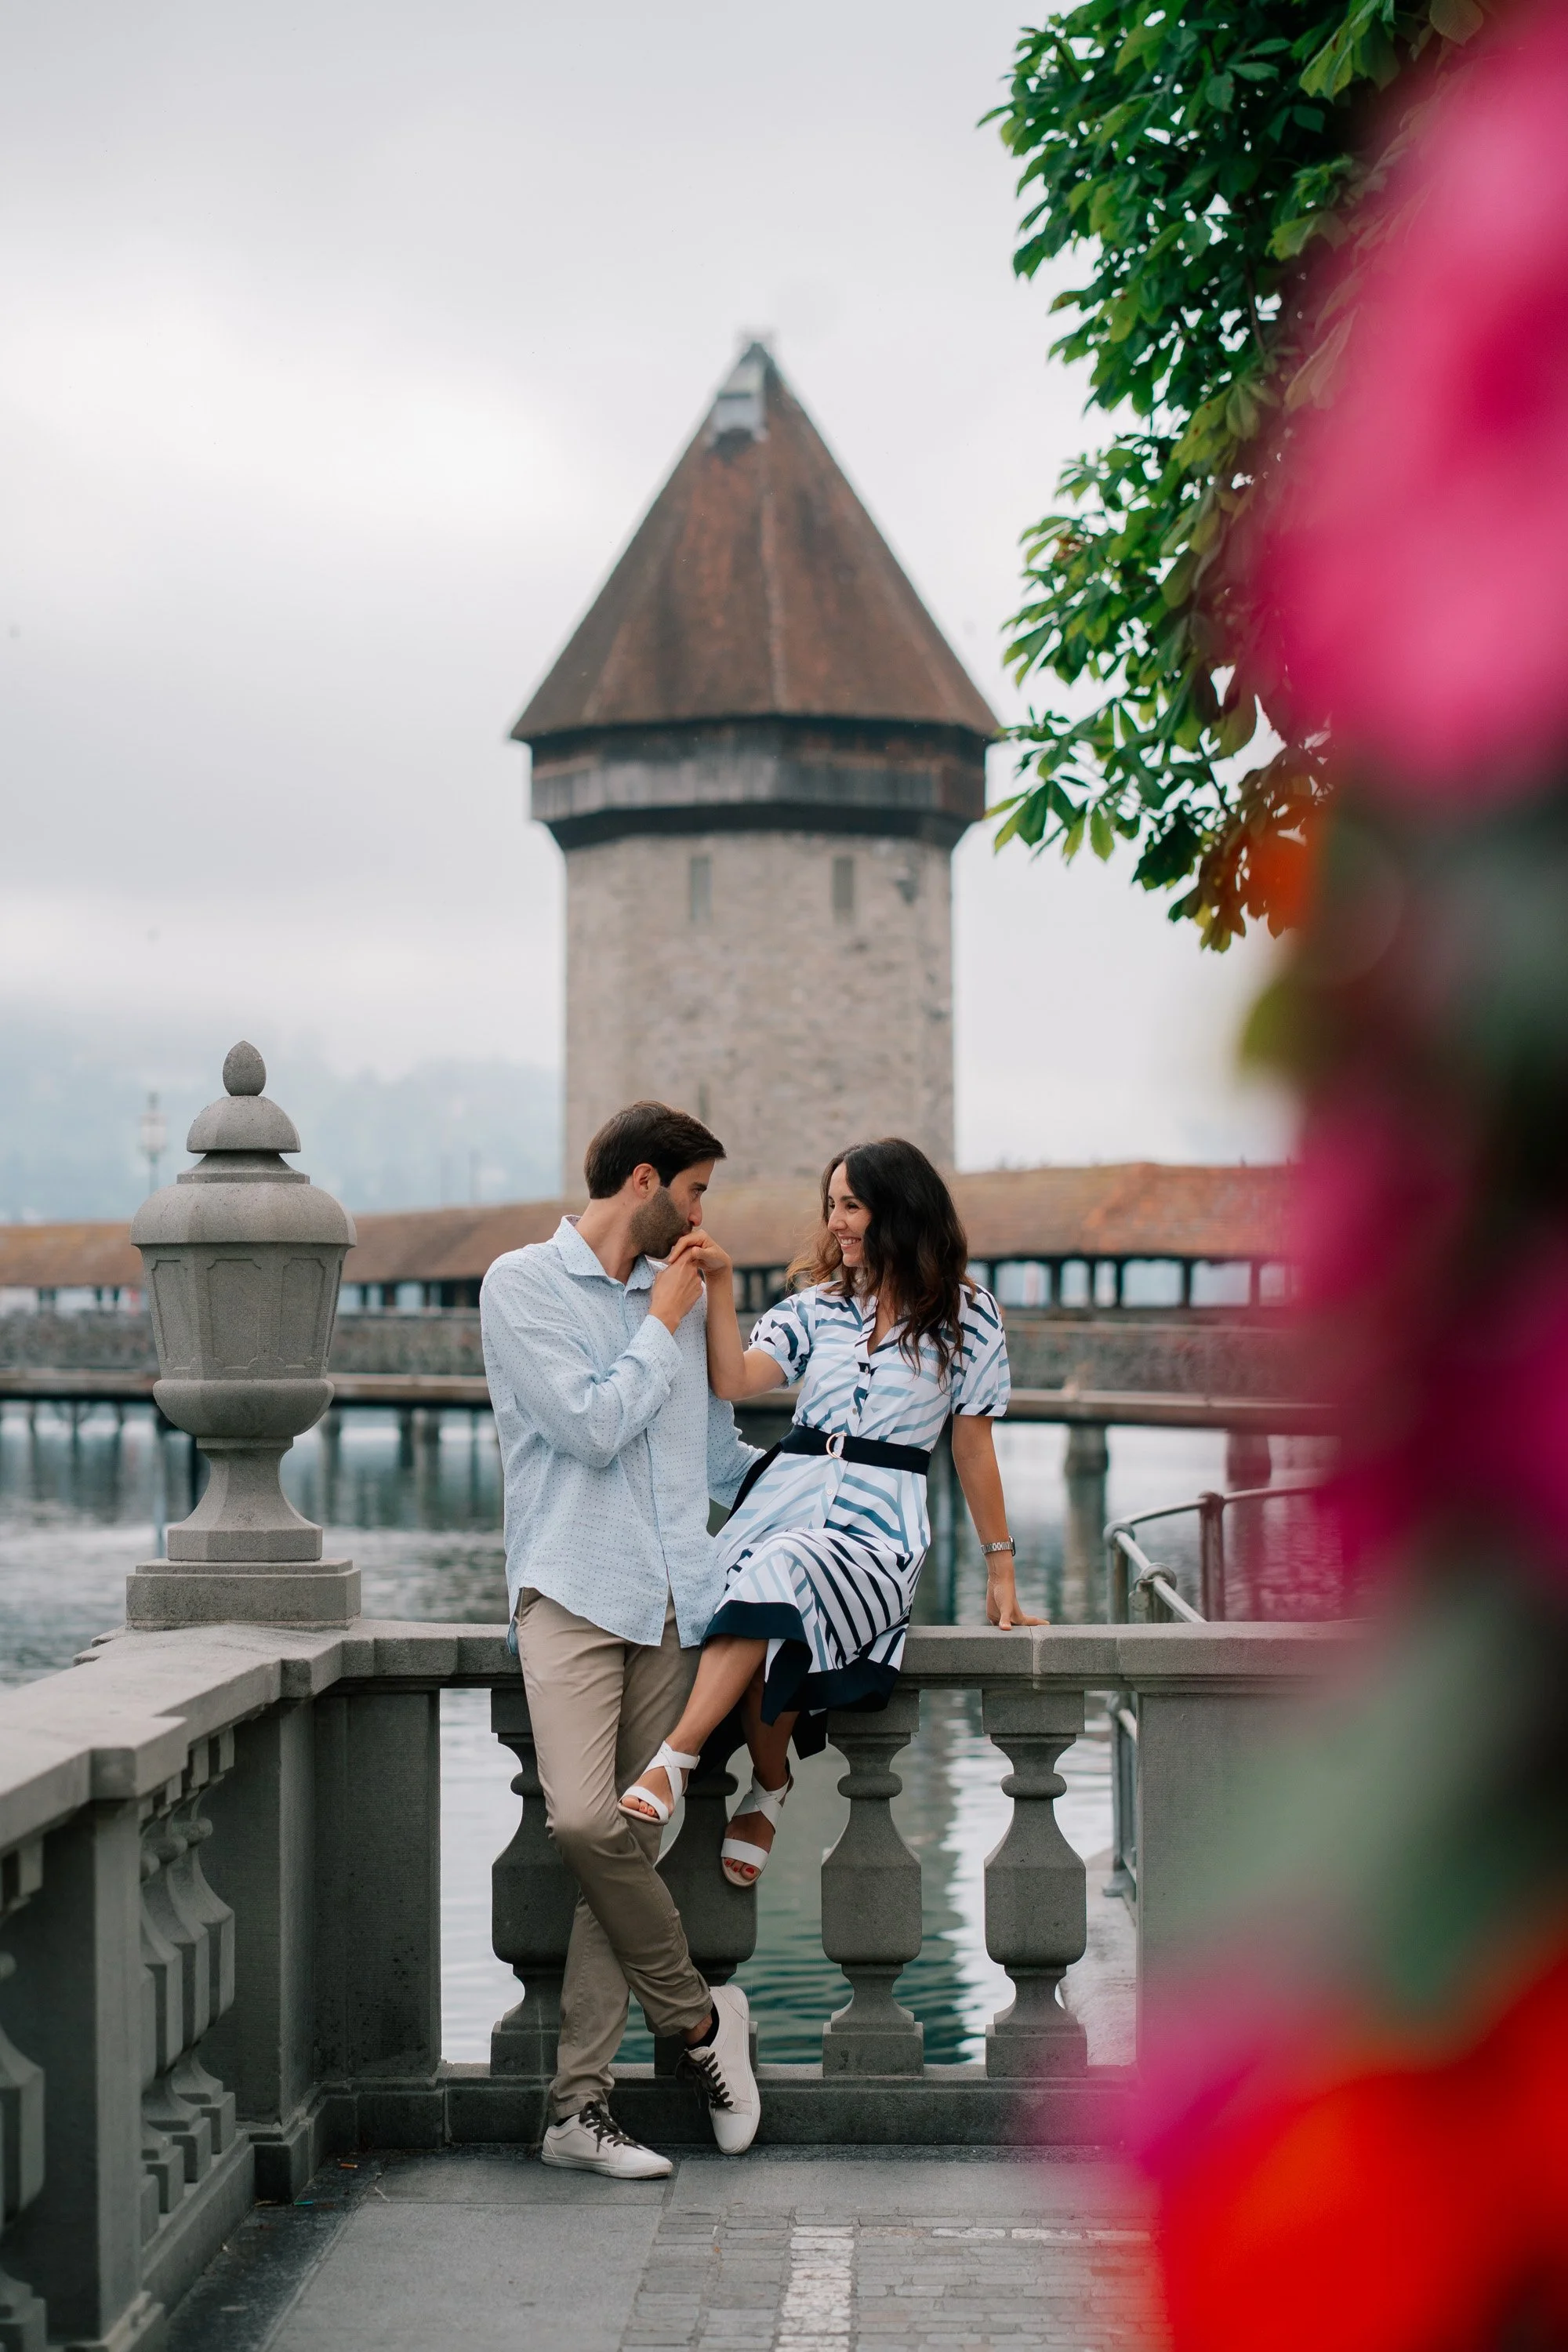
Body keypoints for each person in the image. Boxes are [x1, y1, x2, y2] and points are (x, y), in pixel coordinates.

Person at [619, 1138, 1040, 1885]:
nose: (837, 1222)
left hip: (877, 1536)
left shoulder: (969, 1318)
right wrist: (720, 1284)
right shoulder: (815, 1307)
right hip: (781, 1506)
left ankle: (675, 1757)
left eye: (852, 1205)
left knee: (783, 1572)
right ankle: (772, 1786)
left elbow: (973, 1451)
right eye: (832, 1205)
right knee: (758, 1592)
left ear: (899, 1212)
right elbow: (733, 1378)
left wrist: (1001, 1568)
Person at [479, 1101, 762, 2179]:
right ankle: (700, 2026)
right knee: (587, 1820)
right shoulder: (521, 1286)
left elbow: (714, 1456)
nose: (704, 1216)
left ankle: (576, 2111)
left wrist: (842, 1493)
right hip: (571, 1588)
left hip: (676, 1602)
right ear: (644, 1182)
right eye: (695, 1192)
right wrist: (663, 1323)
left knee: (632, 1846)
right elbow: (591, 1427)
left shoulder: (681, 1299)